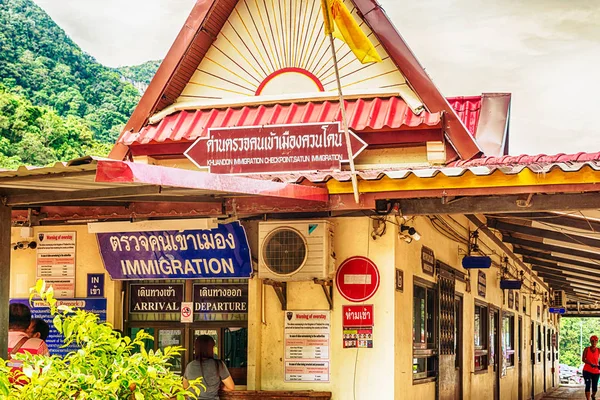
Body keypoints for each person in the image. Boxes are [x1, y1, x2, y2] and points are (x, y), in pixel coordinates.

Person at [183, 335, 235, 399]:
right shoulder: (218, 365)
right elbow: (231, 387)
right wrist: (220, 387)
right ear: (211, 348)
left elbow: (185, 386)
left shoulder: (189, 366)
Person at [582, 335, 600, 400]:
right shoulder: (587, 349)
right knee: (588, 385)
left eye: (595, 341)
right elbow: (583, 359)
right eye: (592, 341)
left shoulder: (598, 350)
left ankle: (593, 395)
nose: (594, 342)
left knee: (595, 387)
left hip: (596, 371)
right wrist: (590, 363)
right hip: (587, 370)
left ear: (597, 342)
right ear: (590, 341)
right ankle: (588, 399)